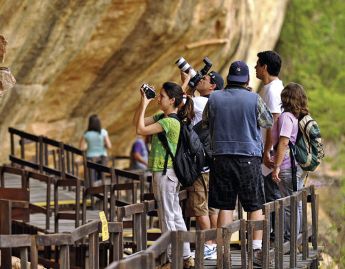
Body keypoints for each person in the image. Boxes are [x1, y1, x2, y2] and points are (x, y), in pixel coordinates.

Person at [203, 61, 273, 264]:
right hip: (248, 158)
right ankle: (256, 250)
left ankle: (222, 248)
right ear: (247, 81)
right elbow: (268, 121)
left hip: (221, 157)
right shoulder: (254, 98)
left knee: (225, 205)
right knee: (254, 205)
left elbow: (206, 122)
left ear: (228, 79)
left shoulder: (214, 98)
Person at [133, 81, 195, 268]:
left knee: (167, 216)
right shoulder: (163, 116)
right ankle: (186, 257)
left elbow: (140, 130)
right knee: (175, 215)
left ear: (172, 100)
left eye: (162, 96)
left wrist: (145, 104)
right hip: (167, 173)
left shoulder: (169, 122)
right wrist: (142, 102)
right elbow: (138, 123)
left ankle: (171, 260)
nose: (158, 99)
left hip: (165, 172)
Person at [181, 70, 223, 259]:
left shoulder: (200, 102)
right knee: (212, 208)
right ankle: (214, 244)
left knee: (199, 208)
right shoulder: (218, 103)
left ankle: (209, 244)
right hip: (215, 163)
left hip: (199, 166)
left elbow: (179, 104)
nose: (201, 80)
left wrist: (187, 82)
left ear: (213, 86)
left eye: (204, 79)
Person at [271, 82, 308, 240]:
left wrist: (276, 167)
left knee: (288, 205)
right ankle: (296, 238)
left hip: (287, 166)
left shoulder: (286, 117)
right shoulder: (296, 116)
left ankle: (288, 239)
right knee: (296, 204)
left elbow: (284, 142)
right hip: (296, 166)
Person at [255, 50, 284, 238]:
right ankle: (272, 231)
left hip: (268, 150)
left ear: (265, 67)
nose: (255, 68)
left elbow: (273, 123)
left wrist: (268, 151)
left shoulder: (273, 90)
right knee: (266, 193)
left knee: (271, 193)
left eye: (257, 65)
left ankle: (276, 234)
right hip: (263, 147)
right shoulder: (268, 88)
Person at [79, 114, 112, 184]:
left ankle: (92, 192)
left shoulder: (86, 133)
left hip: (90, 157)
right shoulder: (103, 132)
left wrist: (88, 146)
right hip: (102, 157)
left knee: (91, 178)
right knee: (102, 177)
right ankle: (101, 191)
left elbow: (81, 147)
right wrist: (103, 145)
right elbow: (109, 146)